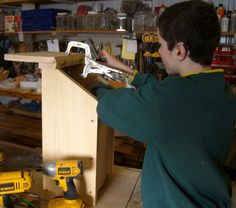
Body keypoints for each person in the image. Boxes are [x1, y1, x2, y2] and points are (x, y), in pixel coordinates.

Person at [93, 0, 236, 207]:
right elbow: (163, 90)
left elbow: (110, 107)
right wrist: (124, 69)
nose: (159, 51)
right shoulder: (221, 91)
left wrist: (95, 87)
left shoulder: (168, 101)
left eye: (160, 44)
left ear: (179, 51)